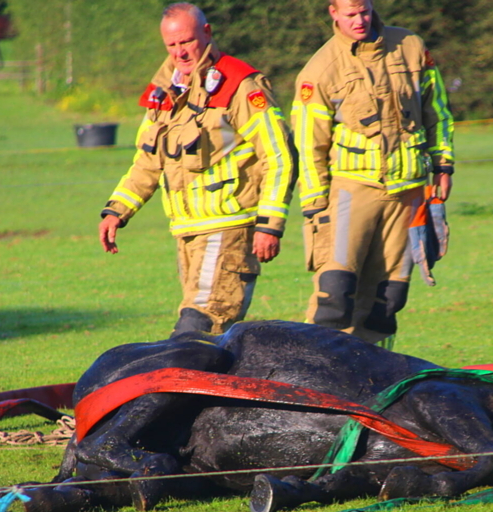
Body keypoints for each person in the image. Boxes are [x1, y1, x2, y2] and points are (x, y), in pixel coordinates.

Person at [98, 3, 296, 336]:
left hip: (229, 228)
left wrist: (270, 225)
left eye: (186, 42)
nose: (180, 52)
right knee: (208, 337)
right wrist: (117, 210)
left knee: (197, 327)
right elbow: (148, 161)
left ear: (206, 33)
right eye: (172, 45)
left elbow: (279, 155)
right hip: (186, 232)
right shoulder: (163, 91)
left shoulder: (240, 85)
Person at [291, 0, 454, 346]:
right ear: (333, 12)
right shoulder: (320, 69)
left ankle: (371, 371)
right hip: (350, 192)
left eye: (364, 11)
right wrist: (315, 206)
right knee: (335, 295)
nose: (359, 20)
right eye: (350, 14)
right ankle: (313, 368)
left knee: (387, 299)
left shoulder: (411, 47)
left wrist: (443, 163)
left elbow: (437, 110)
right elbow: (309, 144)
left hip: (408, 192)